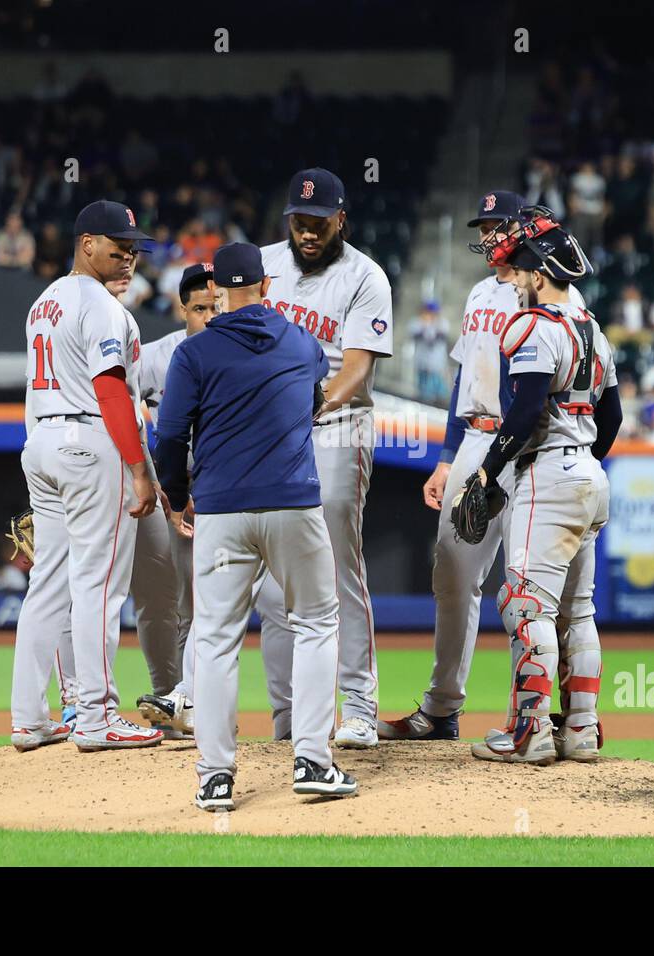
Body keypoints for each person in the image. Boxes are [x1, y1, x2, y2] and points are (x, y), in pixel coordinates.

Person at [380, 193, 591, 741]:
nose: (490, 236)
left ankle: (538, 717)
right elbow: (461, 380)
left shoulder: (550, 293)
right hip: (476, 439)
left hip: (529, 444)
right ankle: (444, 706)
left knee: (537, 592)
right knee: (452, 576)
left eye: (499, 227)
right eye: (486, 227)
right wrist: (447, 459)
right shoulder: (479, 291)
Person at [154, 242, 356, 811]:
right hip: (294, 503)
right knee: (316, 622)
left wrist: (177, 494)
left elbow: (169, 436)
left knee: (216, 640)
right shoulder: (299, 340)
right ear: (266, 285)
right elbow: (316, 395)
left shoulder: (194, 353)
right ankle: (314, 761)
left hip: (221, 509)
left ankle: (215, 777)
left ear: (216, 289)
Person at [9, 200, 166, 754]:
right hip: (90, 444)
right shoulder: (99, 305)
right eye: (117, 248)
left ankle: (29, 719)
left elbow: (33, 389)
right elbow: (109, 391)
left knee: (47, 582)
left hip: (43, 442)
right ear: (86, 244)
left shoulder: (42, 303)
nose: (128, 259)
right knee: (99, 585)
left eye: (133, 251)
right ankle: (97, 718)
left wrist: (40, 452)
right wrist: (138, 469)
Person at [465, 217, 621, 765]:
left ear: (539, 273)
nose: (515, 277)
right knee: (578, 612)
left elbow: (527, 410)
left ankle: (530, 733)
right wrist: (582, 467)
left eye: (523, 269)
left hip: (549, 474)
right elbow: (614, 416)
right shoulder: (594, 329)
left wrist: (487, 470)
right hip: (591, 479)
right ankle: (579, 730)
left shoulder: (535, 327)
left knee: (525, 605)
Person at [254, 168, 393, 748]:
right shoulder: (262, 265)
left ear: (341, 219)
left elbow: (357, 369)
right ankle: (289, 718)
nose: (307, 232)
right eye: (299, 222)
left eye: (319, 222)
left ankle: (358, 706)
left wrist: (302, 408)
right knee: (271, 581)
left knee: (337, 566)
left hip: (336, 428)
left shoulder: (365, 276)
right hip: (266, 433)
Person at [131, 263, 219, 736]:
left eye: (214, 306)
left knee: (203, 605)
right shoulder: (156, 356)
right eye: (199, 307)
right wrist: (148, 475)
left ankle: (188, 703)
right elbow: (122, 405)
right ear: (182, 308)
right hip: (171, 494)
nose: (207, 315)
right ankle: (171, 698)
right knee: (163, 601)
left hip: (220, 493)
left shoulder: (232, 353)